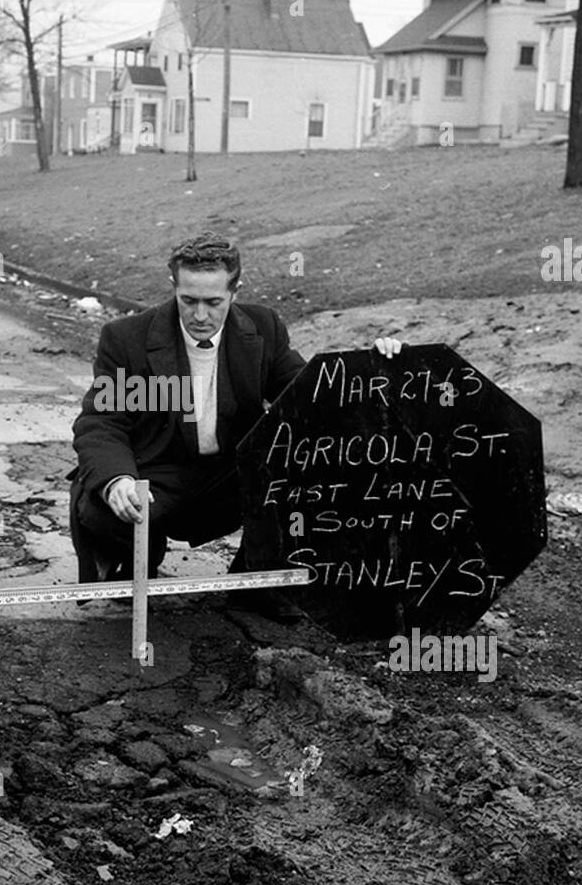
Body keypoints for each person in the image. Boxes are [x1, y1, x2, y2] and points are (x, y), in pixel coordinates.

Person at [68, 234, 402, 609]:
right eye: (188, 301)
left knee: (311, 469)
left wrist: (377, 370)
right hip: (157, 473)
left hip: (230, 476)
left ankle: (254, 581)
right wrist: (119, 482)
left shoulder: (263, 328)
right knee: (100, 507)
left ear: (235, 291)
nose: (199, 316)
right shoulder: (126, 339)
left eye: (213, 303)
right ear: (173, 286)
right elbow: (102, 421)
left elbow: (311, 400)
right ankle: (136, 560)